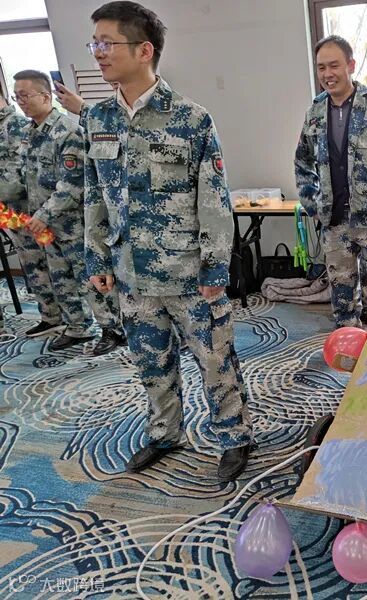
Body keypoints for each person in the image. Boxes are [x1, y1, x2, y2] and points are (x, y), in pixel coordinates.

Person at [82, 1, 252, 480]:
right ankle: (165, 433)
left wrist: (215, 267)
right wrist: (97, 257)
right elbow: (94, 194)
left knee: (215, 361)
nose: (98, 53)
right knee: (150, 363)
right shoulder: (97, 119)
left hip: (189, 274)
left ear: (144, 50)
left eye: (107, 43)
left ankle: (234, 436)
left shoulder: (191, 119)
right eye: (94, 43)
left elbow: (214, 201)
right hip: (131, 275)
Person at [294, 35, 367, 329]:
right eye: (321, 68)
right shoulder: (314, 113)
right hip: (334, 224)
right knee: (342, 300)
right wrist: (313, 206)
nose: (327, 74)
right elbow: (302, 162)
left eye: (334, 66)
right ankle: (349, 347)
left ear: (351, 65)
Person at [12, 70, 125, 354]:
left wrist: (43, 215)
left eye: (25, 95)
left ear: (45, 96)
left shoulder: (67, 131)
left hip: (73, 224)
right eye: (17, 97)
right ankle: (78, 327)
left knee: (91, 279)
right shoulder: (29, 133)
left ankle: (113, 328)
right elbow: (28, 179)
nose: (21, 102)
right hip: (46, 225)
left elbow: (73, 183)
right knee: (60, 278)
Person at [1, 90, 63, 337]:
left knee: (44, 264)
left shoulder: (15, 125)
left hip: (28, 210)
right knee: (32, 264)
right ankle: (50, 316)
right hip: (9, 211)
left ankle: (61, 318)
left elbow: (23, 173)